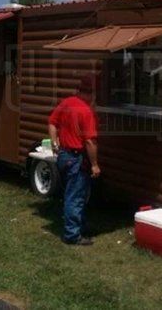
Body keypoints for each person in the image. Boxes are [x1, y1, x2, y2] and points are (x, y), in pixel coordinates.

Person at [48, 75, 101, 246]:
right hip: (76, 158)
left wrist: (55, 144)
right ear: (90, 94)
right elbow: (90, 141)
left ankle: (79, 226)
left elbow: (51, 123)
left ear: (77, 91)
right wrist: (94, 164)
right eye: (92, 93)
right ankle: (72, 235)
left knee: (75, 193)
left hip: (64, 155)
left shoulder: (67, 103)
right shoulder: (86, 111)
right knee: (75, 197)